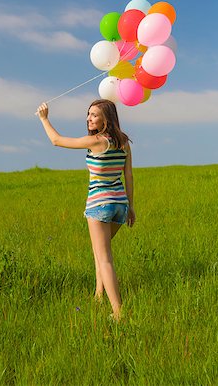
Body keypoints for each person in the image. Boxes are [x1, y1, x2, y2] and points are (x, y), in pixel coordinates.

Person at [36, 99, 136, 322]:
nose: (89, 118)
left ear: (106, 119)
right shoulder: (124, 142)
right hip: (120, 205)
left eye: (94, 115)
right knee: (99, 252)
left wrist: (44, 118)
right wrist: (131, 206)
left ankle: (119, 312)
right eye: (88, 114)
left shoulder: (96, 142)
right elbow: (128, 175)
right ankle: (98, 294)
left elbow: (56, 140)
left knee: (105, 258)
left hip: (99, 205)